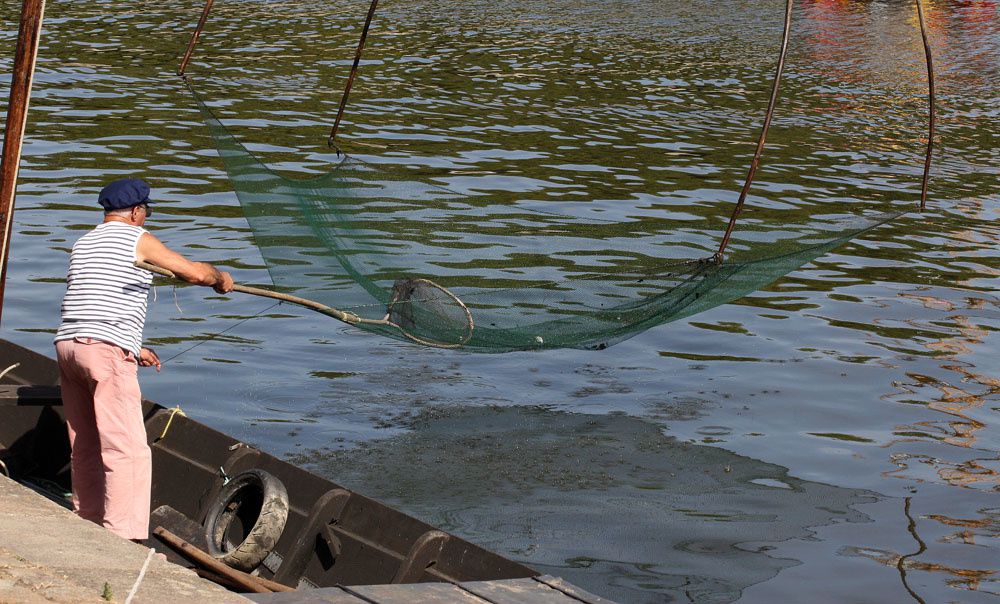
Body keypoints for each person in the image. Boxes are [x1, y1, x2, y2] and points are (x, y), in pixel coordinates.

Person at [53, 177, 234, 541]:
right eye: (146, 210)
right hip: (102, 351)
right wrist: (219, 277)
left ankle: (87, 518)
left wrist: (135, 349)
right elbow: (195, 272)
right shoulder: (136, 238)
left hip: (68, 346)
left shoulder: (84, 242)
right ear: (136, 212)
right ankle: (123, 537)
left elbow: (95, 300)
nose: (146, 216)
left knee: (85, 442)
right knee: (128, 450)